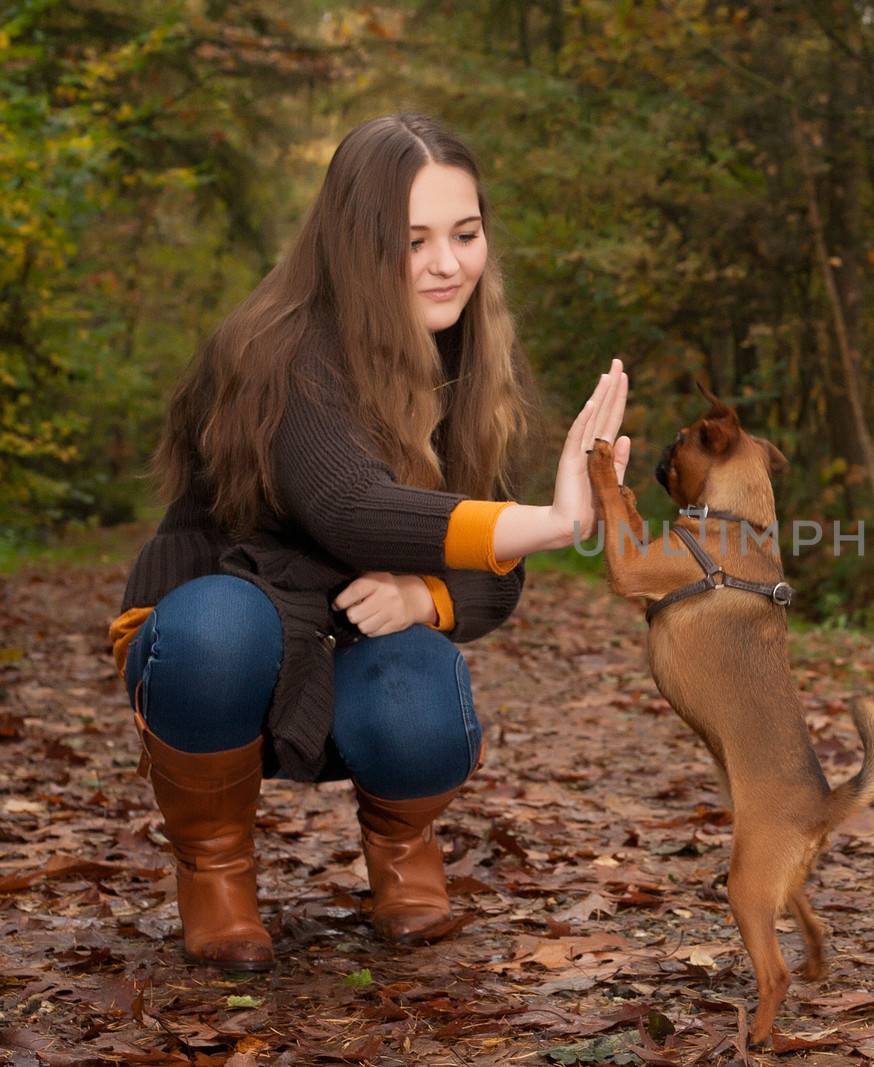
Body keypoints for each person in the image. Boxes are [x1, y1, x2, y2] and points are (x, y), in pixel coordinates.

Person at [106, 113, 631, 971]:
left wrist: (429, 595)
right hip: (220, 650)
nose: (446, 263)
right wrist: (558, 521)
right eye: (412, 240)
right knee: (219, 624)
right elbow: (350, 506)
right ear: (355, 244)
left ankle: (402, 856)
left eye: (465, 234)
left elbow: (492, 578)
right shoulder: (277, 346)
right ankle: (215, 874)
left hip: (347, 650)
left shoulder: (467, 361)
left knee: (421, 680)